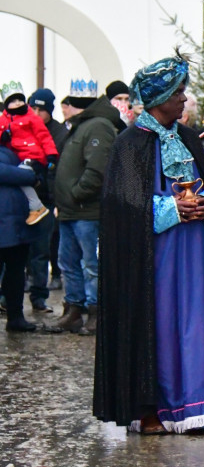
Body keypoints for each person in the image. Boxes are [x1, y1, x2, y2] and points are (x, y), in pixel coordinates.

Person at [93, 54, 204, 434]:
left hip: (194, 253)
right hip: (153, 256)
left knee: (197, 321)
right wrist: (172, 207)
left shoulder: (189, 138)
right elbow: (122, 206)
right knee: (158, 324)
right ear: (157, 98)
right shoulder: (130, 144)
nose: (182, 100)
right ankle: (152, 409)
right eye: (176, 93)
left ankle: (201, 406)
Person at [47, 79, 124, 334]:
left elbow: (97, 169)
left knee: (91, 265)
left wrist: (76, 193)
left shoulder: (98, 126)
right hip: (71, 210)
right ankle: (74, 310)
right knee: (68, 263)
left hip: (87, 211)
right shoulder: (80, 127)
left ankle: (94, 312)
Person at [27, 88, 67, 307]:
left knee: (43, 248)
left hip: (47, 199)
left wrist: (57, 199)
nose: (35, 112)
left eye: (40, 109)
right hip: (25, 196)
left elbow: (60, 170)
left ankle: (39, 295)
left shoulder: (59, 133)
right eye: (32, 107)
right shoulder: (24, 129)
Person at [1, 81, 57, 226]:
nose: (18, 103)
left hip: (33, 155)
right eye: (13, 101)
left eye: (20, 100)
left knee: (21, 175)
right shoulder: (3, 120)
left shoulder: (31, 118)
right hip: (17, 157)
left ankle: (36, 206)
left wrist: (51, 155)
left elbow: (45, 137)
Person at [1, 128, 40, 332]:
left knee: (16, 273)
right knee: (13, 272)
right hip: (8, 224)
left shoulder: (10, 150)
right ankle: (15, 316)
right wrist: (27, 175)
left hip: (16, 224)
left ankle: (16, 317)